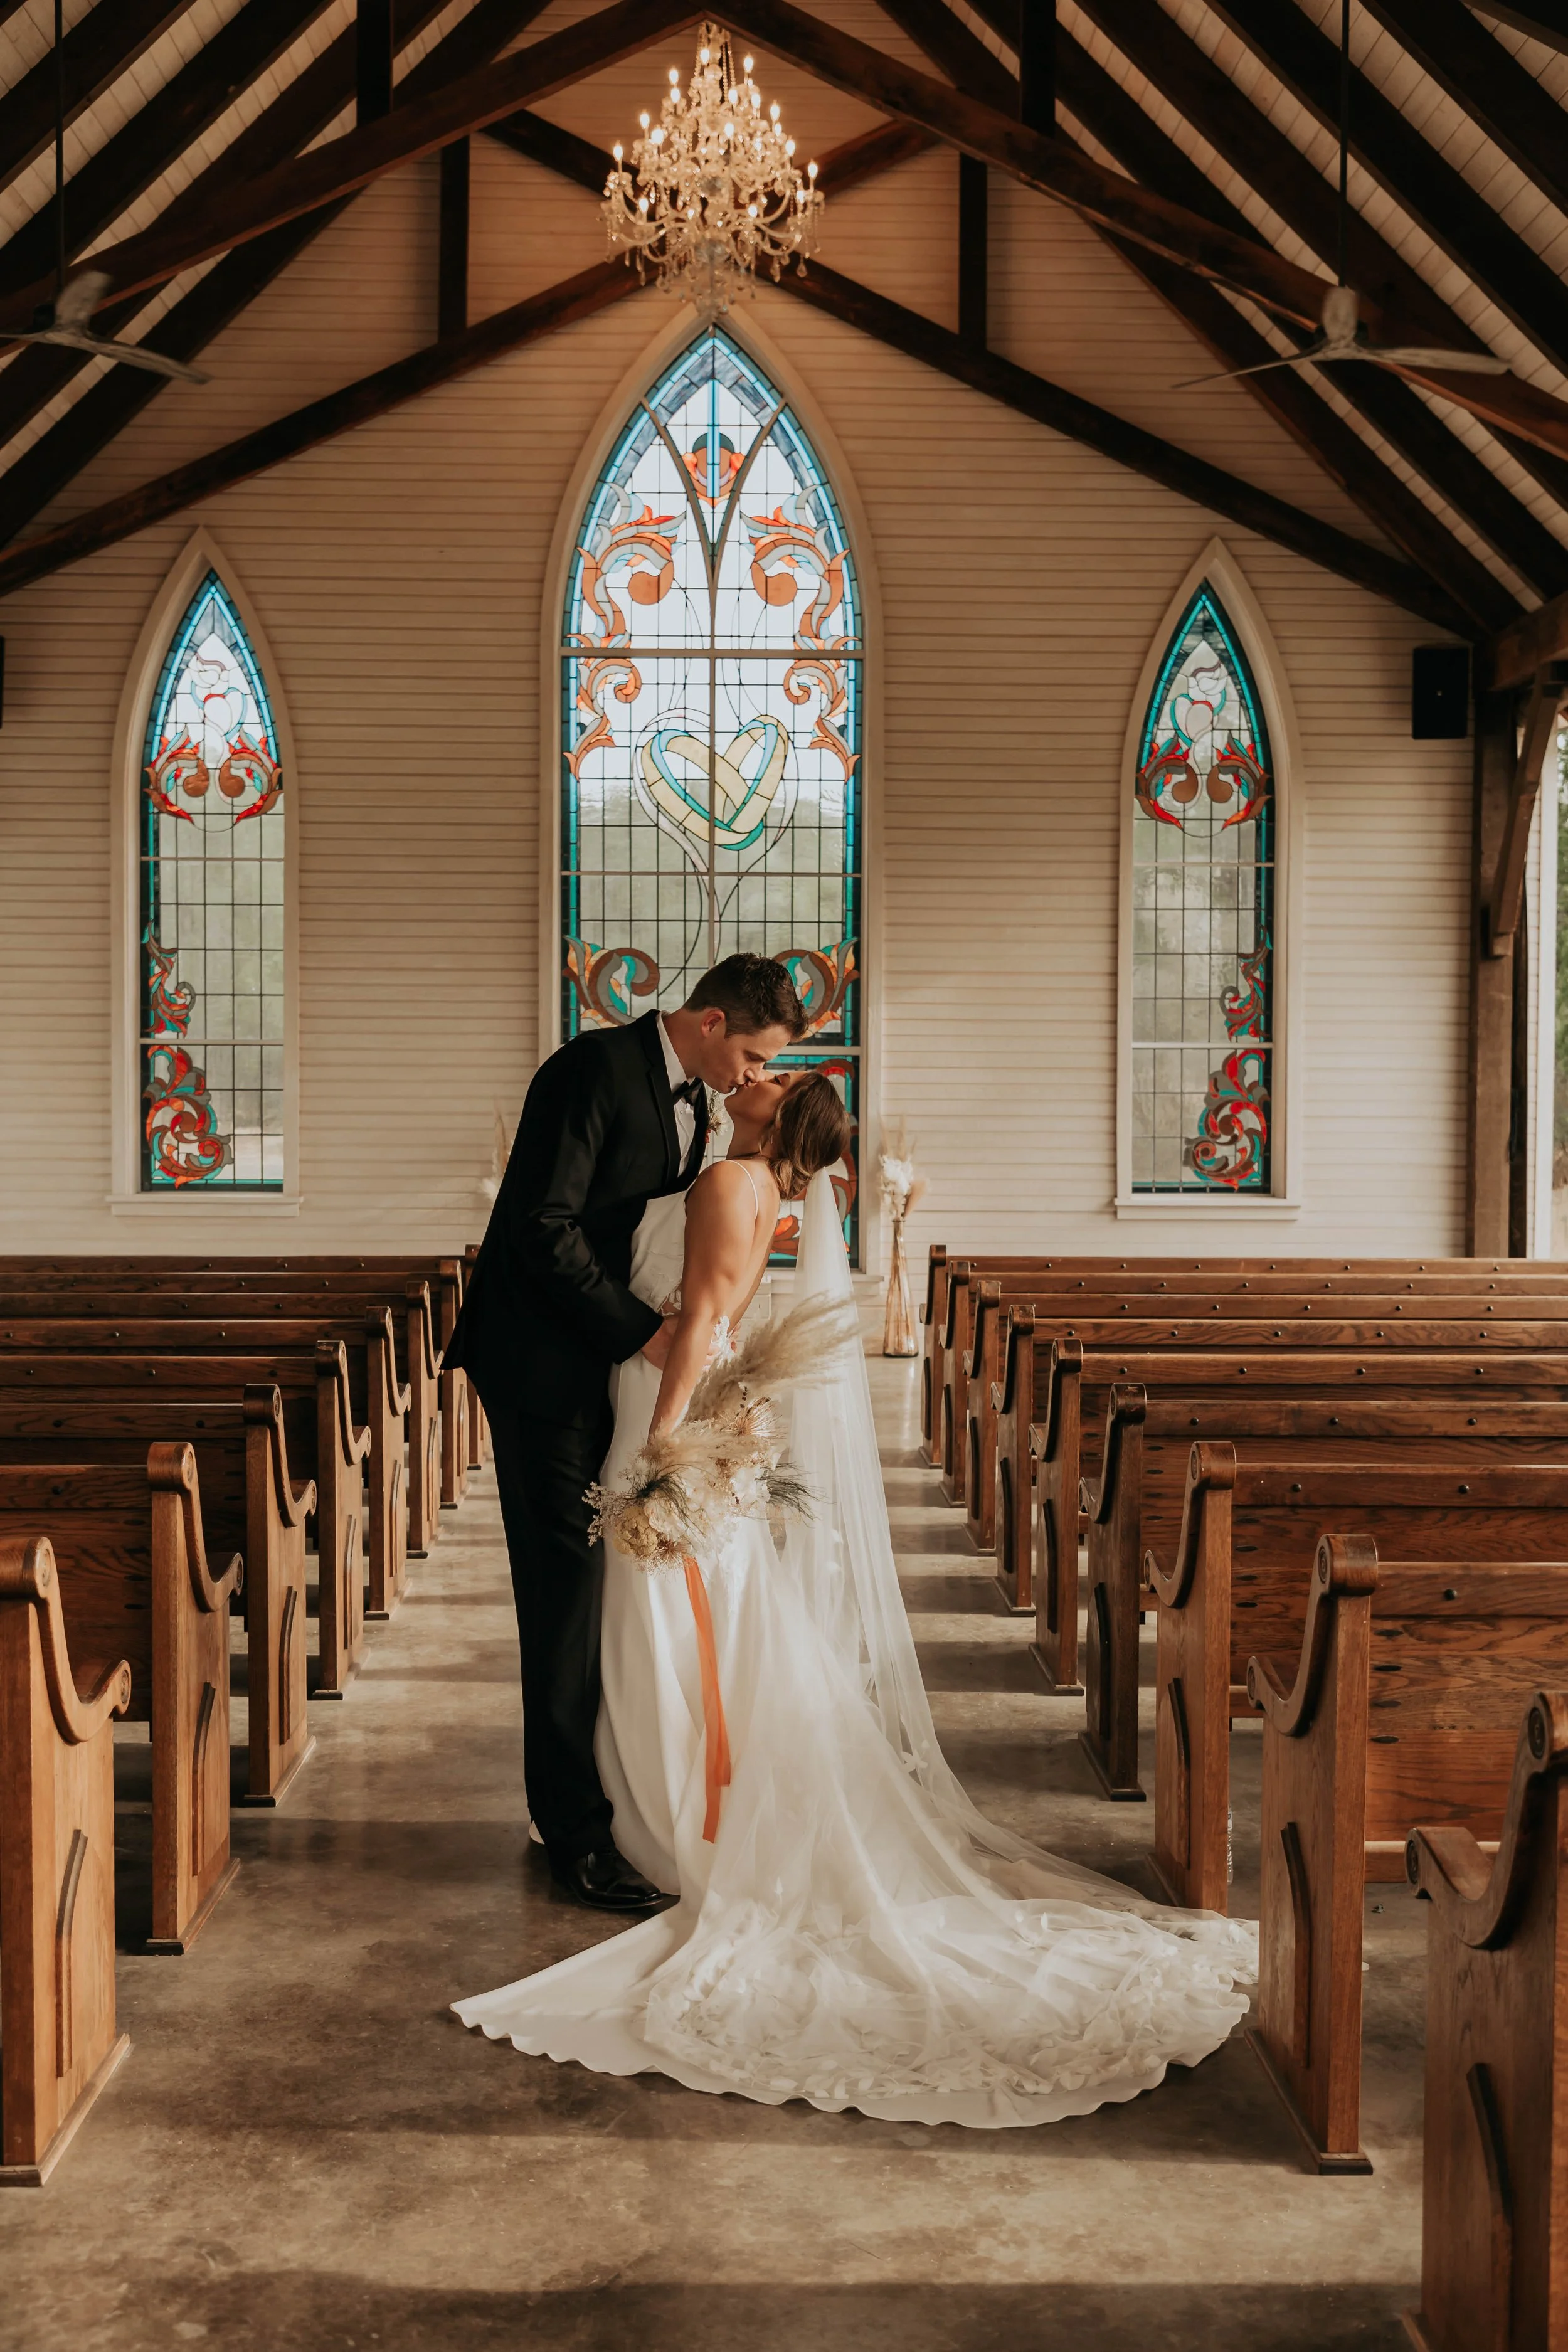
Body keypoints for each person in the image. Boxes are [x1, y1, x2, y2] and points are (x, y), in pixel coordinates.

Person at [454, 1073, 1258, 2129]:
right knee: (700, 1625)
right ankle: (664, 1806)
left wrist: (663, 1447)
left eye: (775, 1078)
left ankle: (664, 1822)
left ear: (782, 1122)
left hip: (662, 1413)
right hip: (693, 1411)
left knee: (660, 1623)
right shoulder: (754, 1188)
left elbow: (697, 1322)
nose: (755, 1077)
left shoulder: (724, 1184)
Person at [445, 954, 807, 1912]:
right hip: (541, 1368)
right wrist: (647, 1334)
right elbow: (542, 1228)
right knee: (564, 1594)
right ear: (711, 1017)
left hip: (611, 1365)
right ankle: (577, 1840)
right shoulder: (589, 1071)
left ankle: (589, 1793)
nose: (750, 1076)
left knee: (598, 1590)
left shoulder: (700, 1105)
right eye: (752, 1053)